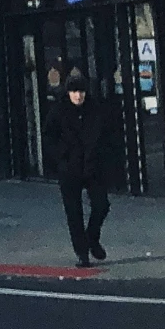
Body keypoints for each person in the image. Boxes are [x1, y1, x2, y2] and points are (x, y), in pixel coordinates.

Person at [46, 74, 118, 266]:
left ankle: (92, 238)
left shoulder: (95, 111)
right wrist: (61, 158)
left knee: (102, 205)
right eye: (74, 92)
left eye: (82, 92)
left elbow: (108, 135)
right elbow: (49, 137)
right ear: (68, 93)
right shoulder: (58, 112)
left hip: (92, 166)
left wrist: (105, 160)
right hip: (69, 168)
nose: (78, 96)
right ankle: (82, 253)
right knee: (74, 212)